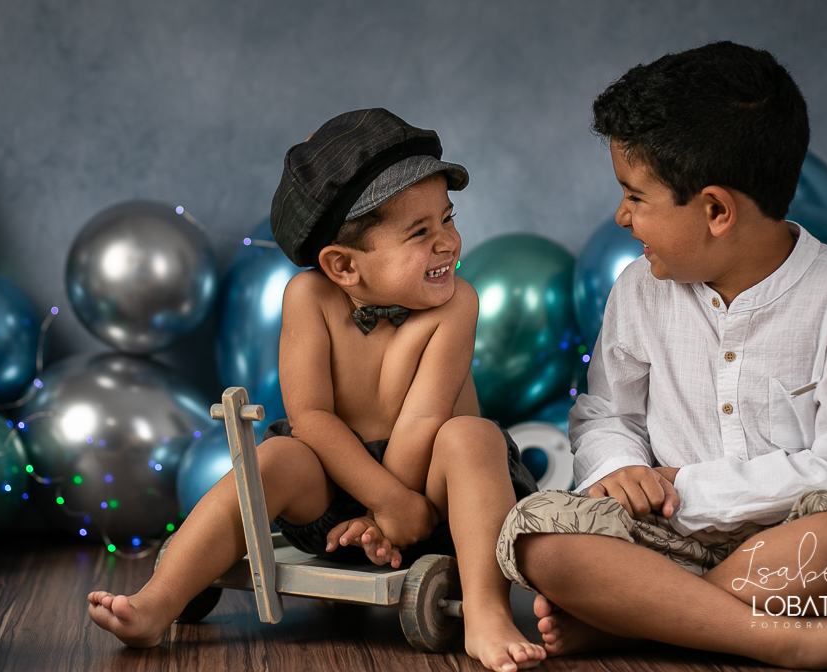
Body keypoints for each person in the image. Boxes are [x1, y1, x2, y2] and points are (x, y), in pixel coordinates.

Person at [495, 42, 827, 672]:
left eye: (635, 196)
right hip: (660, 539)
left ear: (715, 210)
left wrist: (687, 486)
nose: (621, 217)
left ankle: (643, 619)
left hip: (785, 547)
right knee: (538, 532)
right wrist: (622, 467)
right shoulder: (639, 289)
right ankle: (784, 640)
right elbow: (605, 413)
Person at [88, 108, 544, 672]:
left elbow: (423, 422)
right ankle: (158, 599)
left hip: (436, 496)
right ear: (343, 267)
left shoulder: (456, 304)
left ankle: (485, 611)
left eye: (447, 219)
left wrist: (395, 510)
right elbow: (311, 417)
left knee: (470, 437)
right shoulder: (308, 298)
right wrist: (378, 500)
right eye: (421, 233)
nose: (449, 243)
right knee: (278, 454)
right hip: (344, 487)